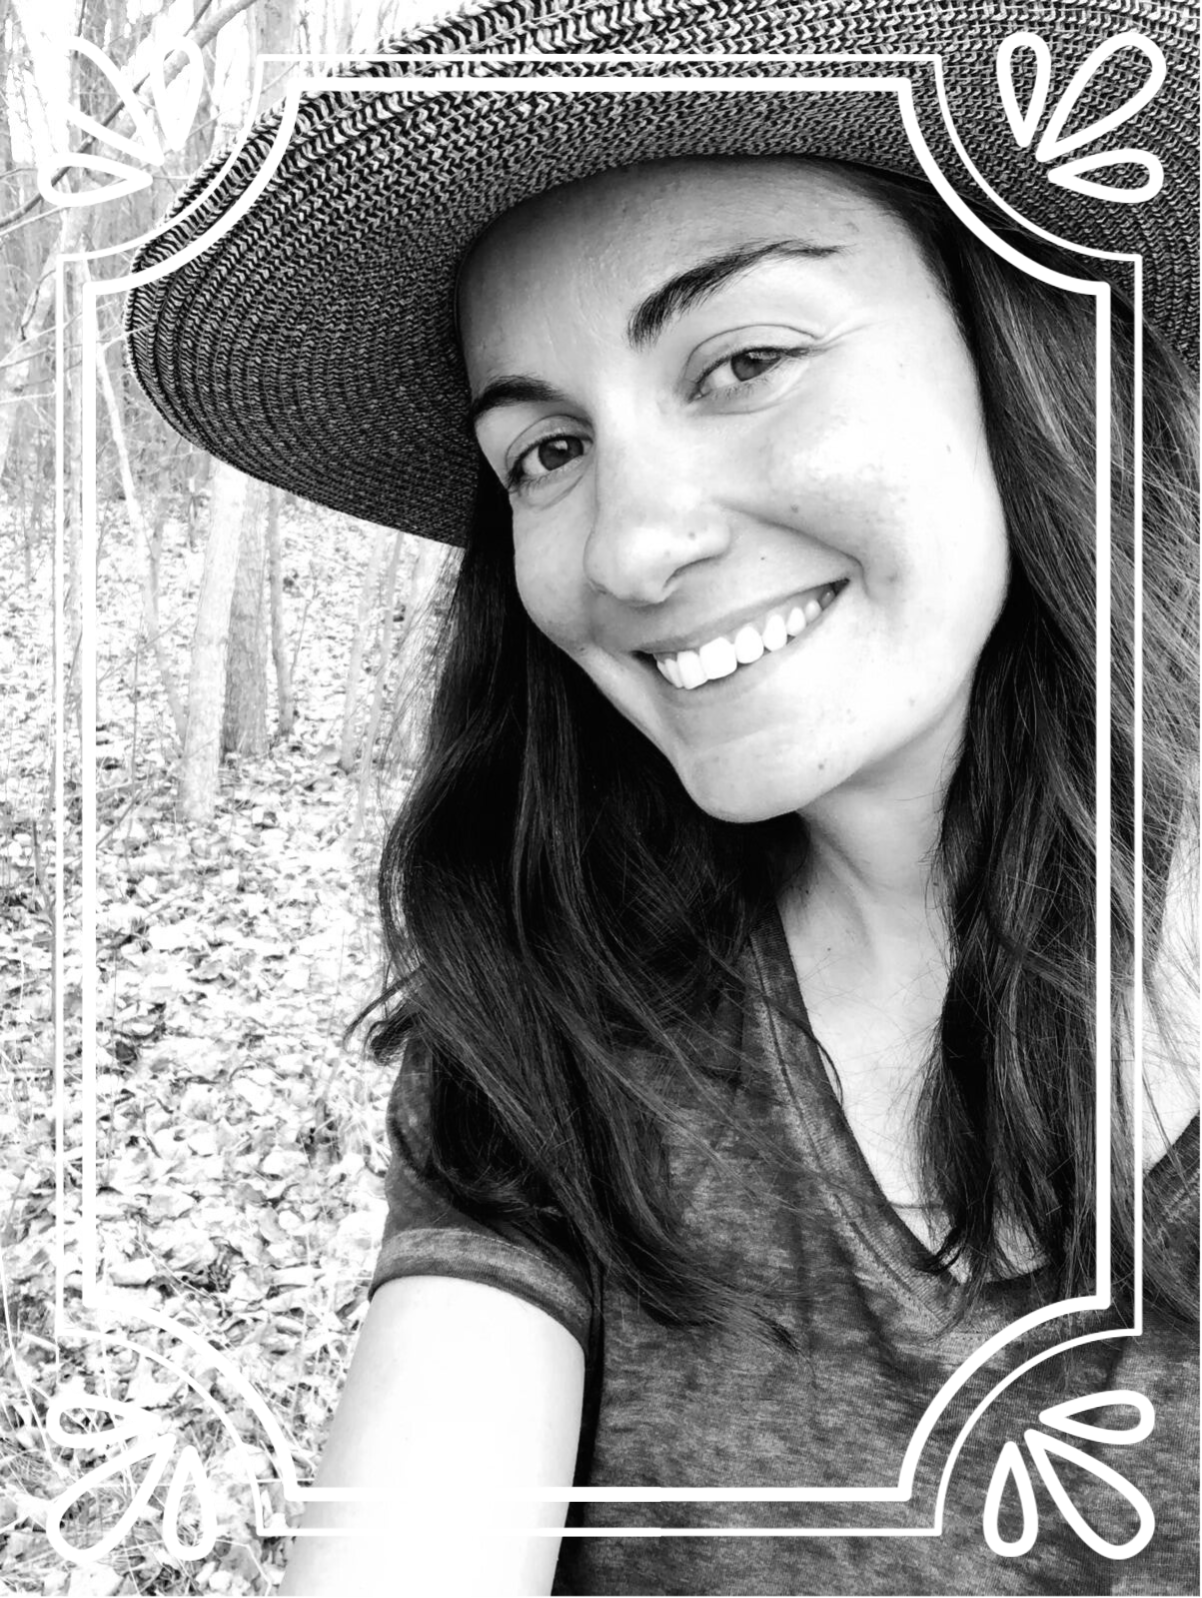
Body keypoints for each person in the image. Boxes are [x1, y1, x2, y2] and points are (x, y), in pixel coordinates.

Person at [125, 2, 1200, 1593]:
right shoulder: (561, 1005)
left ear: (1015, 347)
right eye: (546, 451)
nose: (629, 548)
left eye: (743, 361)